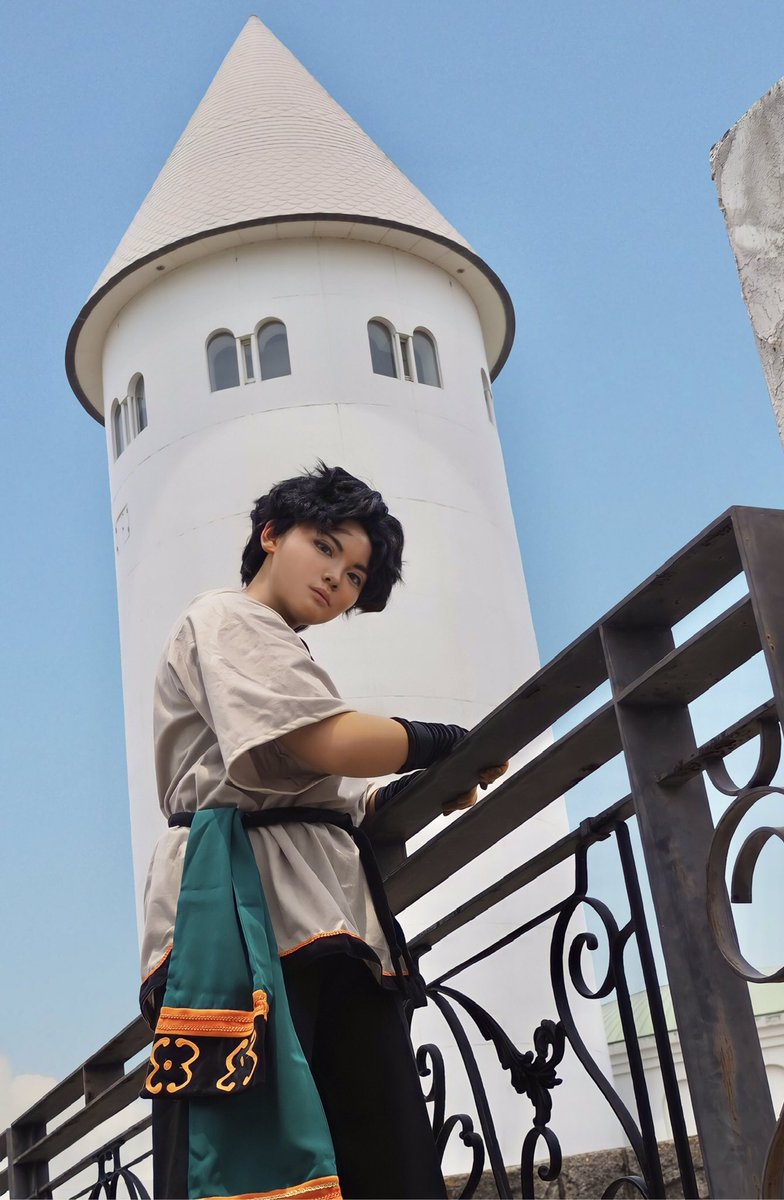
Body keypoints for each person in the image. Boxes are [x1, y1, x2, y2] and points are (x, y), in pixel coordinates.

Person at [138, 463, 507, 1200]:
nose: (337, 578)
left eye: (356, 576)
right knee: (259, 1138)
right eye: (327, 547)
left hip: (311, 908)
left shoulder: (275, 645)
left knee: (362, 1140)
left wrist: (394, 794)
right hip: (244, 909)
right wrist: (443, 742)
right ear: (272, 535)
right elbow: (320, 742)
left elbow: (316, 776)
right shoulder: (227, 617)